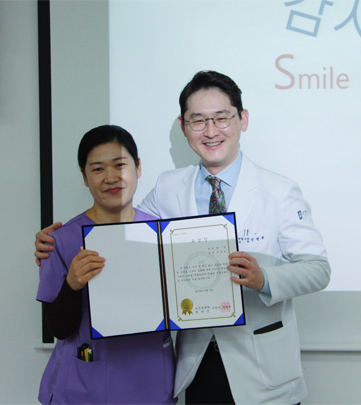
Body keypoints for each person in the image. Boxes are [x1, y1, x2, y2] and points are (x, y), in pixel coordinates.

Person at [35, 72, 330, 404]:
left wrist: (265, 279)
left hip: (263, 367)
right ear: (184, 126)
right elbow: (124, 229)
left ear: (242, 119)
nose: (211, 131)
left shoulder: (279, 190)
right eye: (198, 121)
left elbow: (318, 269)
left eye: (221, 118)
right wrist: (53, 243)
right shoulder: (168, 188)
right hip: (196, 364)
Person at [36, 125, 175, 404]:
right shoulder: (60, 241)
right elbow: (57, 328)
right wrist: (72, 285)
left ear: (138, 167)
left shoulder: (164, 234)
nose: (111, 177)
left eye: (120, 165)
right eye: (98, 169)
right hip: (83, 384)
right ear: (84, 177)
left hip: (150, 380)